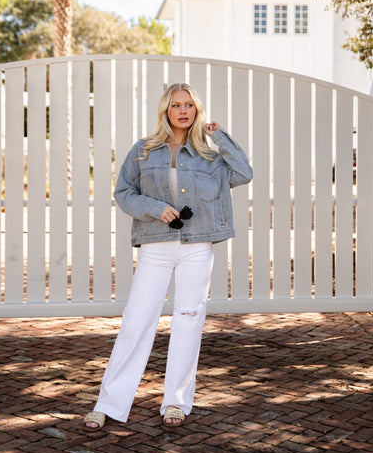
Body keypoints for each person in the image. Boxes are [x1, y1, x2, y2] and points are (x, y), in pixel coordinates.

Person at [83, 83, 252, 430]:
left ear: (196, 110)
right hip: (155, 246)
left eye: (189, 104)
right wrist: (155, 208)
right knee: (136, 321)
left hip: (197, 247)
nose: (183, 110)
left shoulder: (210, 154)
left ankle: (176, 401)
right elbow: (124, 192)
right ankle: (110, 403)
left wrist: (221, 137)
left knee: (188, 319)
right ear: (166, 110)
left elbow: (244, 173)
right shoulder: (144, 150)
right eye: (176, 104)